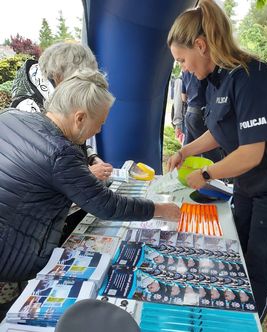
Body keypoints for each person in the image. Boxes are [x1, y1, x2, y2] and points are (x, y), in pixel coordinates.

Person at [167, 0, 267, 321]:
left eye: (182, 59)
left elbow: (251, 152)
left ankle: (250, 324)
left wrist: (207, 173)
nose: (182, 68)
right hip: (247, 184)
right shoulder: (215, 80)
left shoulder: (253, 76)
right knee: (236, 254)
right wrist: (186, 151)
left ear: (201, 45)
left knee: (259, 268)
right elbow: (219, 132)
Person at [0, 69, 180, 283]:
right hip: (12, 255)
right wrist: (158, 209)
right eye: (100, 123)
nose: (98, 130)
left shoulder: (10, 117)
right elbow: (107, 205)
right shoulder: (61, 153)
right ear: (80, 118)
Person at [11, 42, 113, 182]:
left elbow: (73, 134)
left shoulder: (56, 93)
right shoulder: (27, 109)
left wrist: (91, 157)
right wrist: (85, 173)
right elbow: (35, 173)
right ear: (59, 74)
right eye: (80, 79)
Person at [181, 70, 223, 163]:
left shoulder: (185, 70)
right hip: (201, 114)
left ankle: (183, 175)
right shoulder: (202, 69)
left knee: (188, 156)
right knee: (213, 157)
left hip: (189, 113)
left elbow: (183, 97)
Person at [171, 73, 186, 144]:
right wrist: (178, 124)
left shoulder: (180, 80)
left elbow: (178, 103)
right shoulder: (180, 80)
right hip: (184, 118)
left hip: (185, 118)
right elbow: (178, 103)